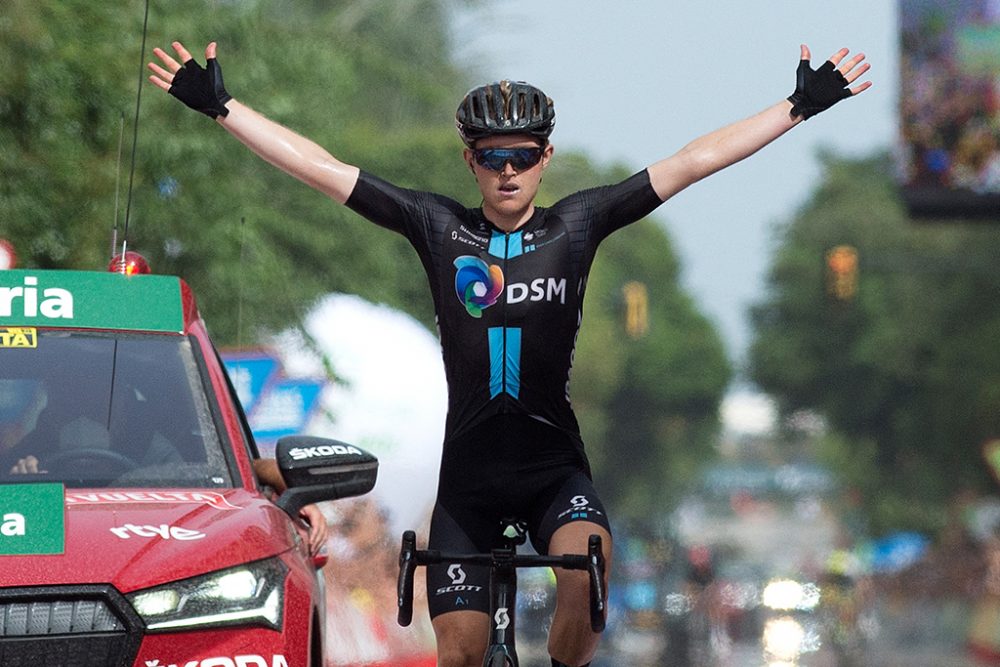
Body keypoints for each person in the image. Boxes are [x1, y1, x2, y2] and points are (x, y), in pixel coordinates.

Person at [148, 41, 870, 667]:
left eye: (523, 156)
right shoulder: (436, 227)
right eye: (492, 157)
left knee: (587, 570)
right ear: (470, 160)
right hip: (468, 480)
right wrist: (223, 108)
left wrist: (796, 107)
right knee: (459, 650)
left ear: (545, 157)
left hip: (552, 469)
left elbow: (689, 163)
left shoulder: (577, 225)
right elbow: (322, 167)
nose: (508, 172)